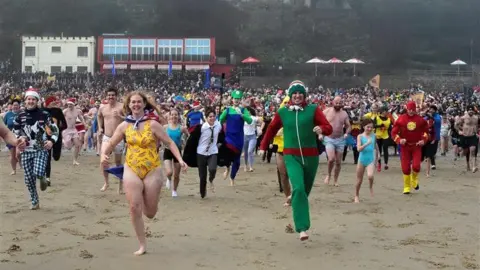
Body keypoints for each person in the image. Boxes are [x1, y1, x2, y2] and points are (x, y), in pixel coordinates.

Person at [101, 91, 187, 256]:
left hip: (152, 169)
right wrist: (105, 154)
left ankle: (152, 201)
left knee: (150, 212)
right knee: (134, 207)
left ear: (144, 104)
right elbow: (111, 142)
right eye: (133, 102)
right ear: (129, 105)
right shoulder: (125, 125)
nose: (136, 105)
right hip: (131, 168)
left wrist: (180, 160)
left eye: (139, 102)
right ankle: (142, 244)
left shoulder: (153, 124)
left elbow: (169, 142)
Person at [260, 80, 332, 241]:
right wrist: (263, 146)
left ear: (304, 95)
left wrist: (322, 129)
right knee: (298, 188)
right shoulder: (283, 112)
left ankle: (294, 202)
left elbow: (328, 127)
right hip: (291, 156)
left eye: (300, 93)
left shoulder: (314, 110)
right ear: (290, 96)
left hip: (311, 156)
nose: (297, 95)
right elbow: (271, 128)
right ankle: (302, 228)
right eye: (294, 93)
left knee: (303, 192)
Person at [13, 88, 59, 209]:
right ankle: (35, 200)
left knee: (37, 172)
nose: (31, 101)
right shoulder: (20, 115)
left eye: (33, 99)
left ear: (37, 101)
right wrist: (19, 140)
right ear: (25, 101)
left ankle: (42, 177)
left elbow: (55, 130)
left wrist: (51, 141)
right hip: (26, 151)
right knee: (28, 180)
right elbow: (14, 132)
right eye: (29, 99)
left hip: (40, 149)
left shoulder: (44, 114)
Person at [391, 101, 429, 194]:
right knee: (405, 168)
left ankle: (414, 179)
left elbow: (426, 132)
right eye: (409, 109)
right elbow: (394, 133)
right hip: (405, 146)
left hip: (416, 146)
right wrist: (399, 140)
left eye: (413, 109)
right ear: (406, 109)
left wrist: (423, 140)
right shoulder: (400, 119)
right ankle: (406, 186)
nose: (411, 111)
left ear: (415, 109)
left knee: (416, 166)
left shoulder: (421, 120)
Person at [219, 90, 252, 186]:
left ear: (240, 100)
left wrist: (242, 115)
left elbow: (250, 121)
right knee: (227, 154)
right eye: (235, 99)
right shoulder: (228, 110)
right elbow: (220, 120)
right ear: (232, 99)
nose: (236, 100)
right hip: (229, 138)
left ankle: (232, 177)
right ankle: (227, 168)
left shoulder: (243, 110)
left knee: (237, 162)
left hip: (239, 138)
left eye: (238, 99)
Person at [98, 87, 125, 193]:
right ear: (106, 96)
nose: (111, 97)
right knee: (103, 160)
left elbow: (129, 118)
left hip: (118, 138)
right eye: (109, 95)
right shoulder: (103, 108)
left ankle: (120, 186)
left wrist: (120, 116)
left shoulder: (121, 106)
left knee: (118, 163)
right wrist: (100, 127)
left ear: (116, 96)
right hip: (107, 137)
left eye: (113, 95)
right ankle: (106, 183)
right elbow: (99, 116)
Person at [322, 96, 351, 186]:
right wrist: (320, 133)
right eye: (336, 103)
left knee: (338, 162)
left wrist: (347, 133)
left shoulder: (344, 114)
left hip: (340, 139)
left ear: (342, 103)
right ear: (333, 102)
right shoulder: (326, 111)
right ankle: (329, 175)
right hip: (329, 138)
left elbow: (348, 126)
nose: (338, 104)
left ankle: (335, 180)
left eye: (340, 103)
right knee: (331, 159)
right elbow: (319, 122)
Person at [163, 109, 189, 197]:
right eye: (172, 115)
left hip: (177, 151)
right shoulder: (165, 127)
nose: (174, 116)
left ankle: (174, 190)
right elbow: (159, 136)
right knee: (169, 172)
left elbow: (189, 136)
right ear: (169, 116)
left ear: (178, 116)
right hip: (167, 150)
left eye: (176, 115)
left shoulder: (181, 128)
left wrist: (186, 143)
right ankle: (168, 178)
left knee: (177, 175)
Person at [355, 118, 379, 203]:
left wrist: (378, 156)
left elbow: (375, 146)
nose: (369, 129)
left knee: (370, 176)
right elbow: (358, 149)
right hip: (361, 160)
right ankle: (356, 195)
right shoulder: (360, 136)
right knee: (359, 180)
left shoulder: (374, 136)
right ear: (363, 127)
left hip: (370, 159)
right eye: (368, 127)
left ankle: (370, 187)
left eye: (371, 127)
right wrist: (366, 144)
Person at [44, 96, 67, 186]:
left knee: (56, 157)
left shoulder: (58, 111)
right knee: (47, 158)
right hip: (46, 137)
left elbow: (65, 125)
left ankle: (56, 155)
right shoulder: (43, 111)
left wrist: (58, 128)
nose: (54, 102)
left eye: (55, 101)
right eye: (52, 101)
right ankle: (47, 178)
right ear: (48, 102)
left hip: (57, 137)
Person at [455, 105, 479, 172]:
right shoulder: (463, 118)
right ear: (467, 111)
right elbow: (456, 124)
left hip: (473, 136)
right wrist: (459, 130)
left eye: (472, 110)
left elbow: (476, 126)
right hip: (465, 136)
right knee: (465, 152)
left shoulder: (476, 118)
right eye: (469, 110)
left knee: (473, 150)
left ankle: (474, 166)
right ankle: (468, 165)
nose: (471, 111)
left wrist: (476, 132)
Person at [62, 98, 85, 166]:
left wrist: (84, 123)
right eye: (68, 104)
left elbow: (81, 118)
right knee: (68, 147)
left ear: (73, 105)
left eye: (71, 104)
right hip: (66, 130)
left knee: (77, 145)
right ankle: (64, 141)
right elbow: (60, 118)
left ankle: (75, 160)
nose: (69, 106)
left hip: (74, 129)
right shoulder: (65, 111)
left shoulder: (77, 111)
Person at [3, 99, 21, 175]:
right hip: (10, 137)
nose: (15, 106)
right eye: (14, 105)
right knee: (12, 155)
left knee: (18, 154)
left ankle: (20, 162)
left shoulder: (22, 114)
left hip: (20, 137)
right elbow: (3, 126)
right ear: (12, 106)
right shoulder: (8, 114)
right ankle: (14, 170)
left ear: (19, 106)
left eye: (17, 105)